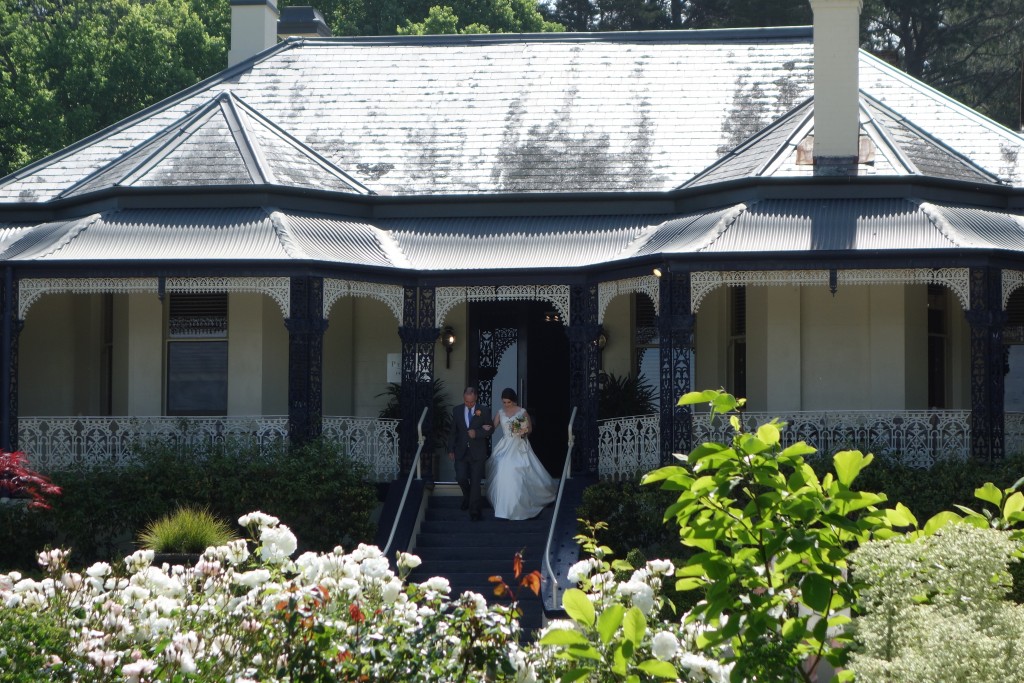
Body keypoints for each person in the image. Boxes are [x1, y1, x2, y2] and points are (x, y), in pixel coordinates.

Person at [485, 387, 557, 520]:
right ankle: (504, 504)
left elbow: (529, 429)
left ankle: (519, 504)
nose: (506, 405)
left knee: (516, 468)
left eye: (509, 402)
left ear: (514, 400)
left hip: (519, 444)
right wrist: (485, 427)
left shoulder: (522, 411)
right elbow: (493, 427)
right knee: (501, 467)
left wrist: (522, 431)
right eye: (504, 402)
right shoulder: (500, 412)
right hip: (505, 445)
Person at [447, 386, 493, 521]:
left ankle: (474, 511)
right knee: (460, 477)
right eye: (467, 402)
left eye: (472, 402)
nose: (469, 404)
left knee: (475, 481)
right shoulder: (457, 410)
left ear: (476, 398)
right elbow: (453, 432)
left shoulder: (484, 410)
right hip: (461, 451)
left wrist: (477, 433)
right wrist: (450, 449)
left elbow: (491, 429)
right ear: (464, 398)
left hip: (477, 452)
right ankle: (467, 497)